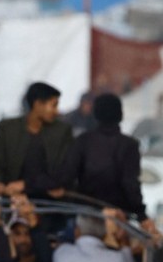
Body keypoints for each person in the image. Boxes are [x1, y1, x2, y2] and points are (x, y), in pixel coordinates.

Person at [61, 93, 145, 221]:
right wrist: (141, 213)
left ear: (95, 114)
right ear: (120, 115)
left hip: (86, 213)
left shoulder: (82, 141)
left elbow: (68, 176)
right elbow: (130, 183)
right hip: (118, 217)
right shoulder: (129, 145)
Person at [0, 82, 73, 200]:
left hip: (50, 201)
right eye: (54, 105)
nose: (57, 111)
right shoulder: (6, 128)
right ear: (38, 104)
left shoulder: (62, 131)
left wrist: (26, 185)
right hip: (11, 199)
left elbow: (65, 171)